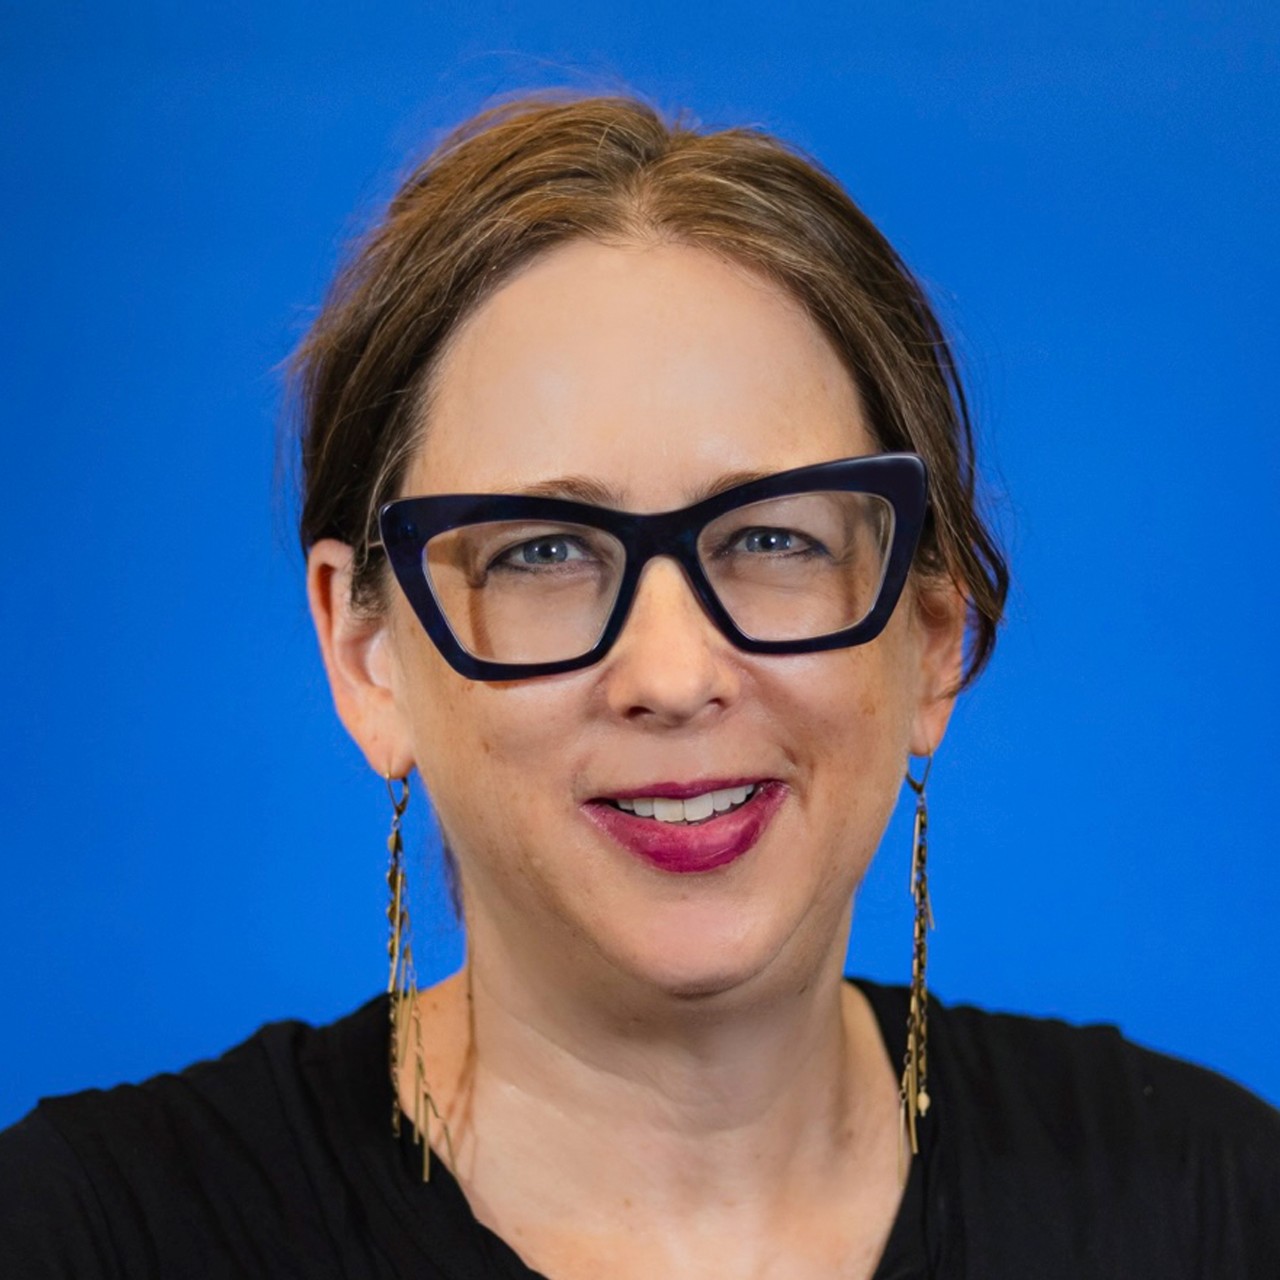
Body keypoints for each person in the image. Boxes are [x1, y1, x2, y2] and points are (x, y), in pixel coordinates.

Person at [2, 91, 1276, 1280]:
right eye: (542, 550)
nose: (671, 676)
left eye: (775, 536)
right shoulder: (88, 1232)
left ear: (933, 632)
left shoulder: (1217, 1208)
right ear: (366, 651)